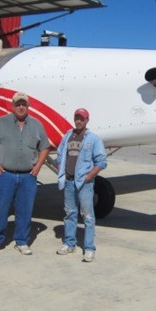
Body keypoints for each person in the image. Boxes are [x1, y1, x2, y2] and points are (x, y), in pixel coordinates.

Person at [0, 92, 50, 255]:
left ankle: (22, 241)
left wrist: (38, 166)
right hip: (5, 175)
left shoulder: (36, 125)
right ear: (13, 106)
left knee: (25, 210)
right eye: (18, 104)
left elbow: (45, 147)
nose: (21, 107)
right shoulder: (1, 122)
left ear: (28, 107)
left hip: (28, 176)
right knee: (1, 209)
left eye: (24, 104)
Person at [55, 108, 107, 262]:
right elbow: (59, 155)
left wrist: (89, 176)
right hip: (69, 182)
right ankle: (69, 243)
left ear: (87, 120)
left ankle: (89, 248)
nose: (79, 121)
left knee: (88, 216)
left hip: (84, 184)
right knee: (69, 213)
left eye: (82, 118)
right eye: (76, 118)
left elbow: (102, 161)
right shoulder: (68, 137)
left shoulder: (93, 139)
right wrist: (61, 172)